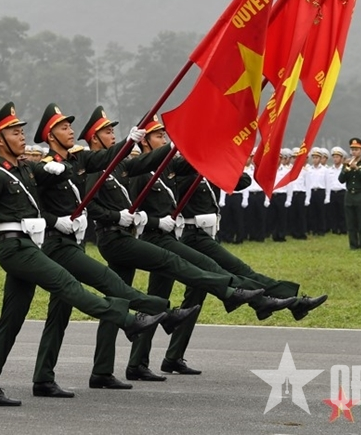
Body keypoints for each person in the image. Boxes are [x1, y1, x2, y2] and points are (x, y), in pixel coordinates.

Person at [0, 102, 166, 407]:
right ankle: (128, 320)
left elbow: (68, 168)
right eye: (15, 133)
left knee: (10, 321)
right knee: (66, 283)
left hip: (30, 245)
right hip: (14, 248)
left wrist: (68, 164)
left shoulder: (27, 169)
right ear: (0, 140)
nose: (22, 137)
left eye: (21, 132)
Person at [84, 111, 302, 378]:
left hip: (141, 236)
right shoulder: (124, 171)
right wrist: (149, 220)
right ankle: (247, 297)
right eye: (158, 135)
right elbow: (108, 204)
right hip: (141, 238)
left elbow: (195, 164)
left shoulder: (149, 170)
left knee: (123, 301)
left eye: (165, 135)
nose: (163, 139)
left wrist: (209, 139)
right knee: (189, 267)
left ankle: (120, 367)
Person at [28, 104, 200, 396]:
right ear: (50, 134)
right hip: (66, 245)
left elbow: (124, 160)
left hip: (79, 242)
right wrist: (74, 218)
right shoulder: (54, 166)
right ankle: (163, 314)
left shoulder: (82, 163)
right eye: (107, 131)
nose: (70, 131)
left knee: (64, 313)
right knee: (108, 290)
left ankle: (71, 374)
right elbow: (35, 207)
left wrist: (137, 142)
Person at [338, 138, 361, 250]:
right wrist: (345, 170)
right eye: (352, 149)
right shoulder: (347, 163)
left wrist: (357, 169)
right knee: (350, 222)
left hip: (360, 195)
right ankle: (353, 245)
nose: (354, 152)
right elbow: (341, 180)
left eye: (356, 149)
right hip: (349, 195)